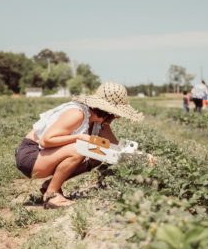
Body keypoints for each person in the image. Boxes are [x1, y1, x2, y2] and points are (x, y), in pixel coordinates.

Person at [15, 82, 144, 208]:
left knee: (100, 153)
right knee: (81, 148)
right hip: (31, 156)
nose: (116, 117)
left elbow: (115, 148)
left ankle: (50, 185)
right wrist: (79, 137)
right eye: (115, 114)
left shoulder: (100, 123)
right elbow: (46, 140)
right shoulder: (78, 114)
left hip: (46, 156)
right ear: (108, 111)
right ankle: (52, 195)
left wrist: (142, 157)